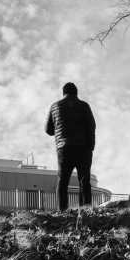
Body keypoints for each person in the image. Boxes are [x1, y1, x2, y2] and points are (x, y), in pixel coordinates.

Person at [45, 82, 96, 210]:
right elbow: (91, 126)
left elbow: (48, 129)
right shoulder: (84, 105)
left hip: (63, 149)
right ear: (76, 93)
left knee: (62, 182)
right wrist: (91, 146)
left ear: (63, 93)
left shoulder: (55, 106)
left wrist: (59, 132)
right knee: (84, 181)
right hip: (83, 147)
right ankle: (85, 209)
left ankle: (62, 210)